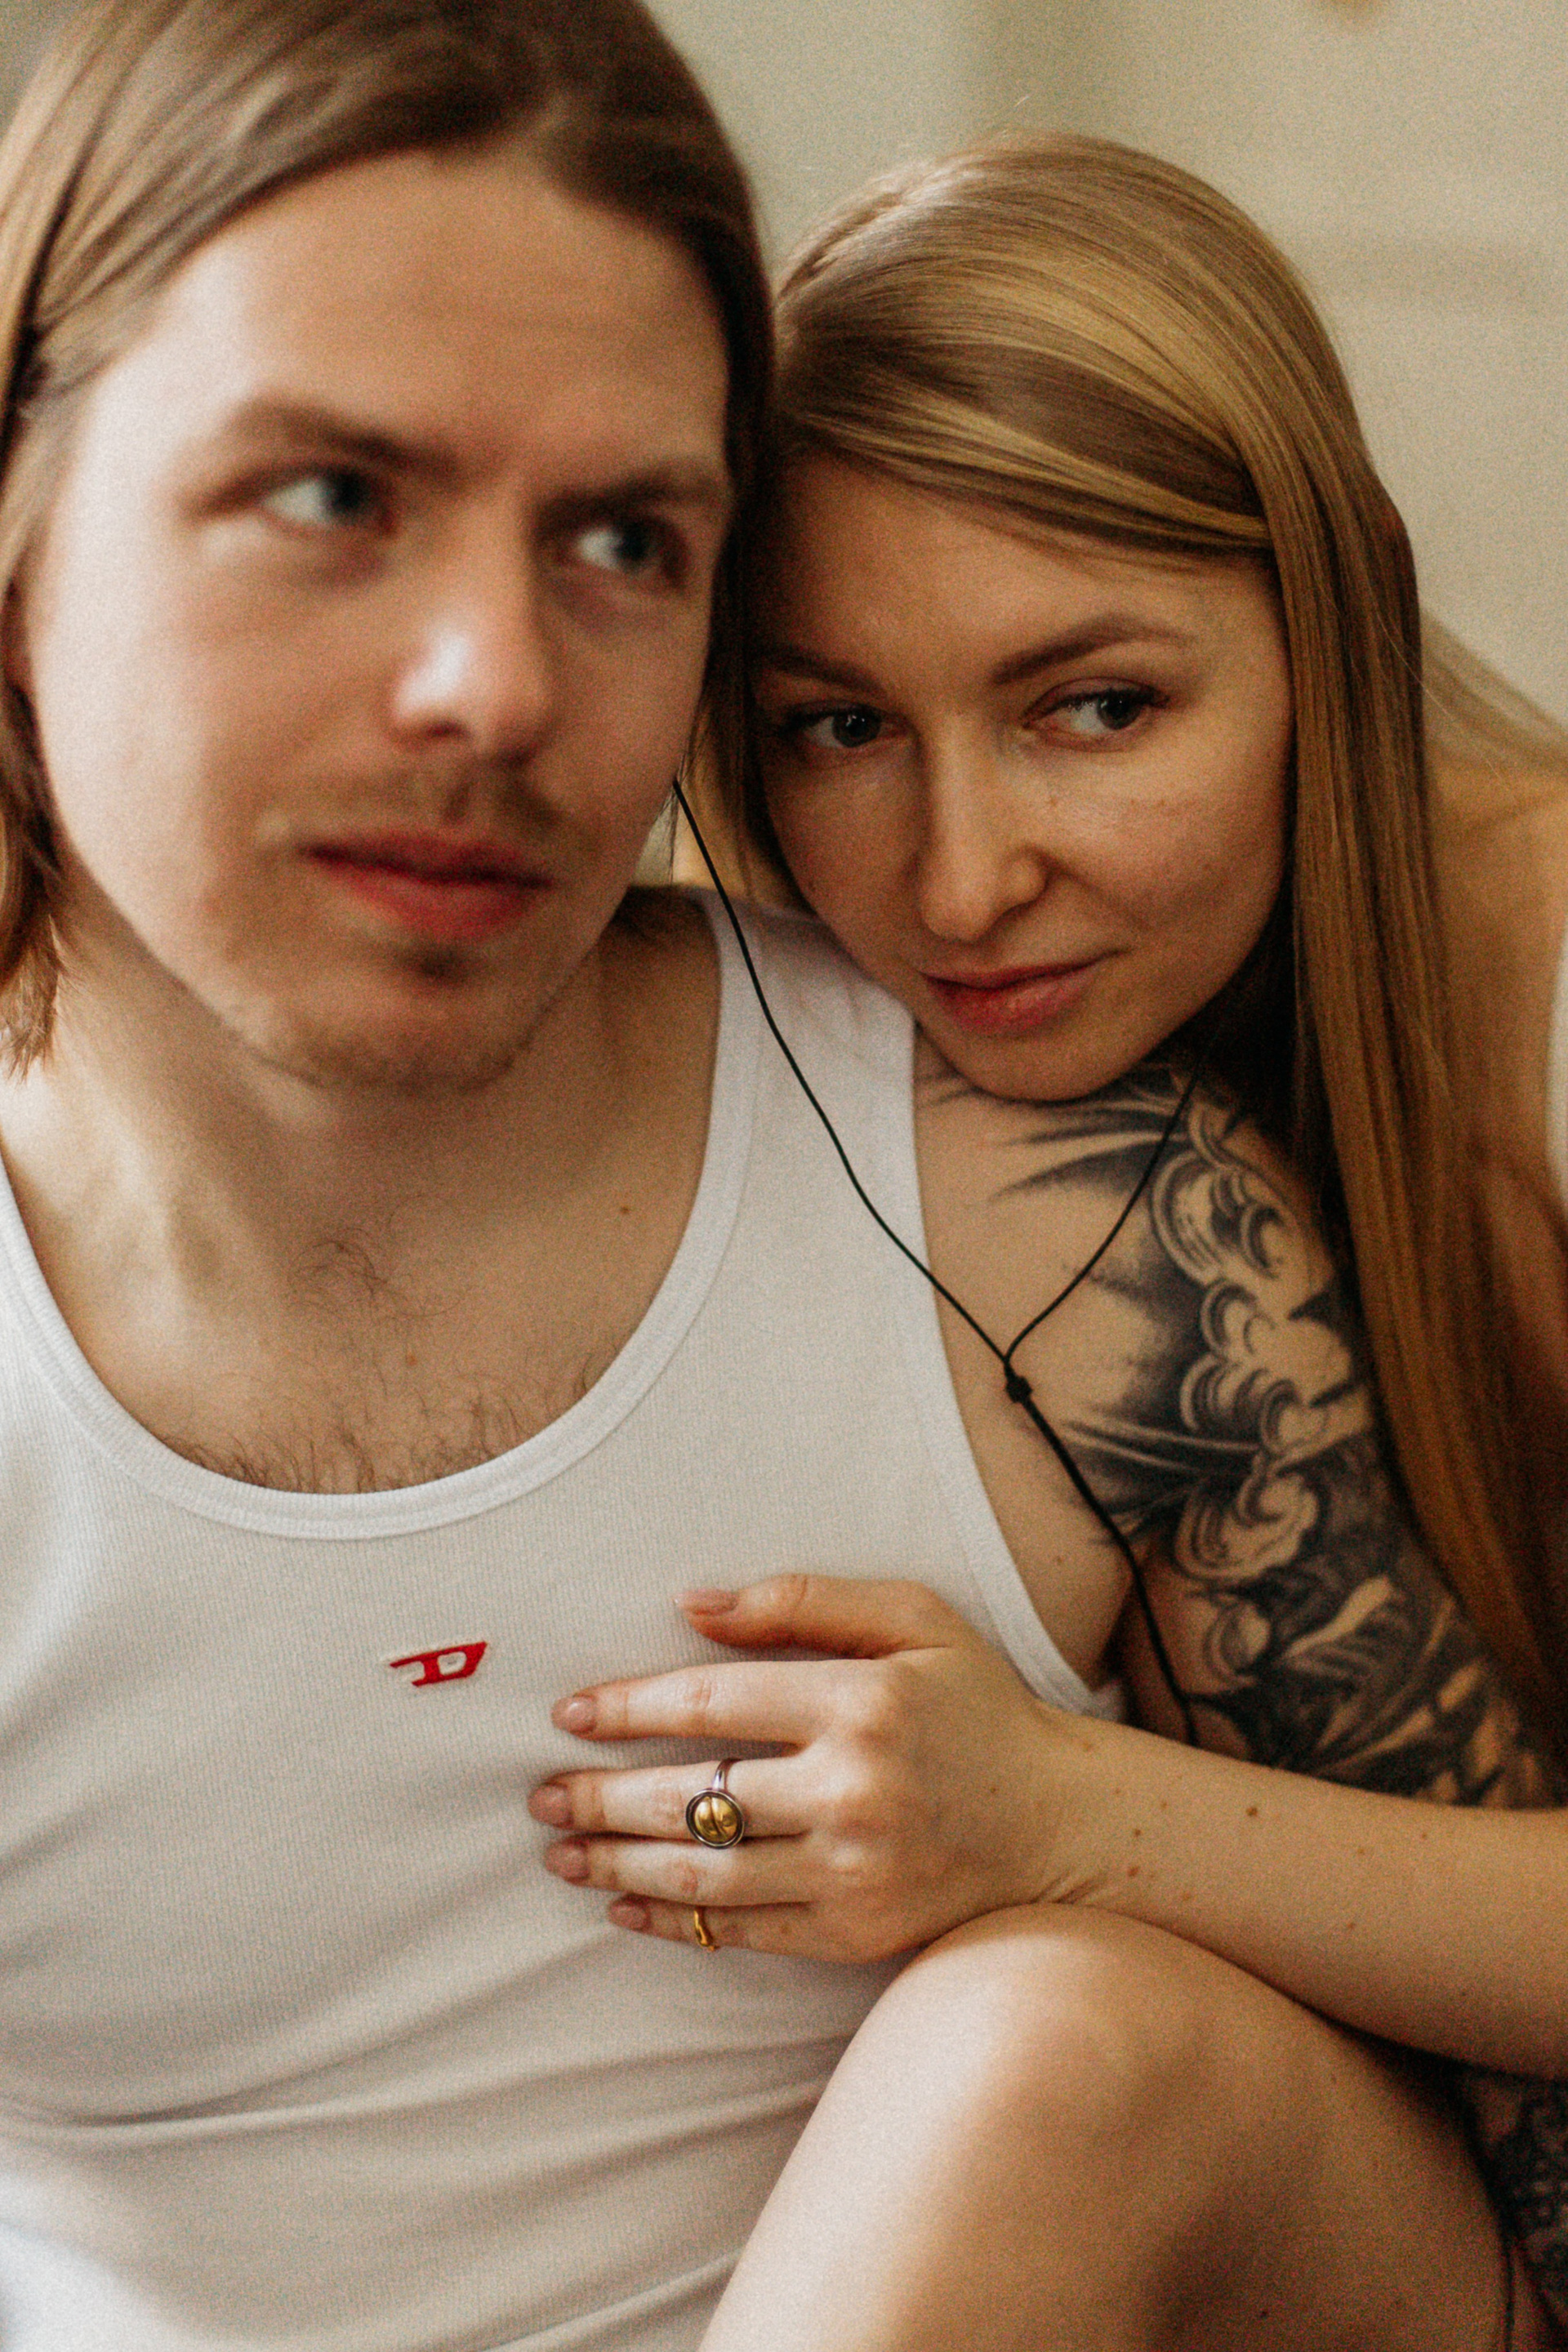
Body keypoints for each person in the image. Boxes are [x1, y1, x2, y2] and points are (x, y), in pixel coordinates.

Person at [6, 11, 1538, 2350]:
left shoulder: (1065, 1211)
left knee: (1057, 2049)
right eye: (331, 497)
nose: (495, 685)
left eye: (623, 540)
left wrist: (1077, 1825)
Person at [526, 140, 1568, 2345]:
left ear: (1333, 625)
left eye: (1095, 706)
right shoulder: (866, 1075)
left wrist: (1071, 1814)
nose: (962, 876)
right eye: (842, 727)